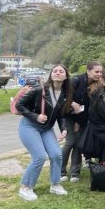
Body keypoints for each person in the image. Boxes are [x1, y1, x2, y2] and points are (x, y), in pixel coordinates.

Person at [16, 64, 73, 201]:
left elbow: (61, 115)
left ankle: (55, 184)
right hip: (29, 126)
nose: (58, 73)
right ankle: (25, 187)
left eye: (61, 71)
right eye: (55, 71)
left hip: (46, 128)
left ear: (66, 76)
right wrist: (35, 116)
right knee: (39, 157)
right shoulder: (39, 89)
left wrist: (64, 128)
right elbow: (19, 105)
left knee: (56, 154)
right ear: (51, 74)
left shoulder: (65, 94)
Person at [61, 61, 102, 183]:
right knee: (70, 142)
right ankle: (60, 171)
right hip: (69, 116)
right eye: (96, 71)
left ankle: (75, 172)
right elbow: (63, 94)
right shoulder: (76, 80)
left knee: (79, 144)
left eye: (100, 71)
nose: (99, 74)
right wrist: (72, 103)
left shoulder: (98, 85)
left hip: (83, 119)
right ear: (88, 71)